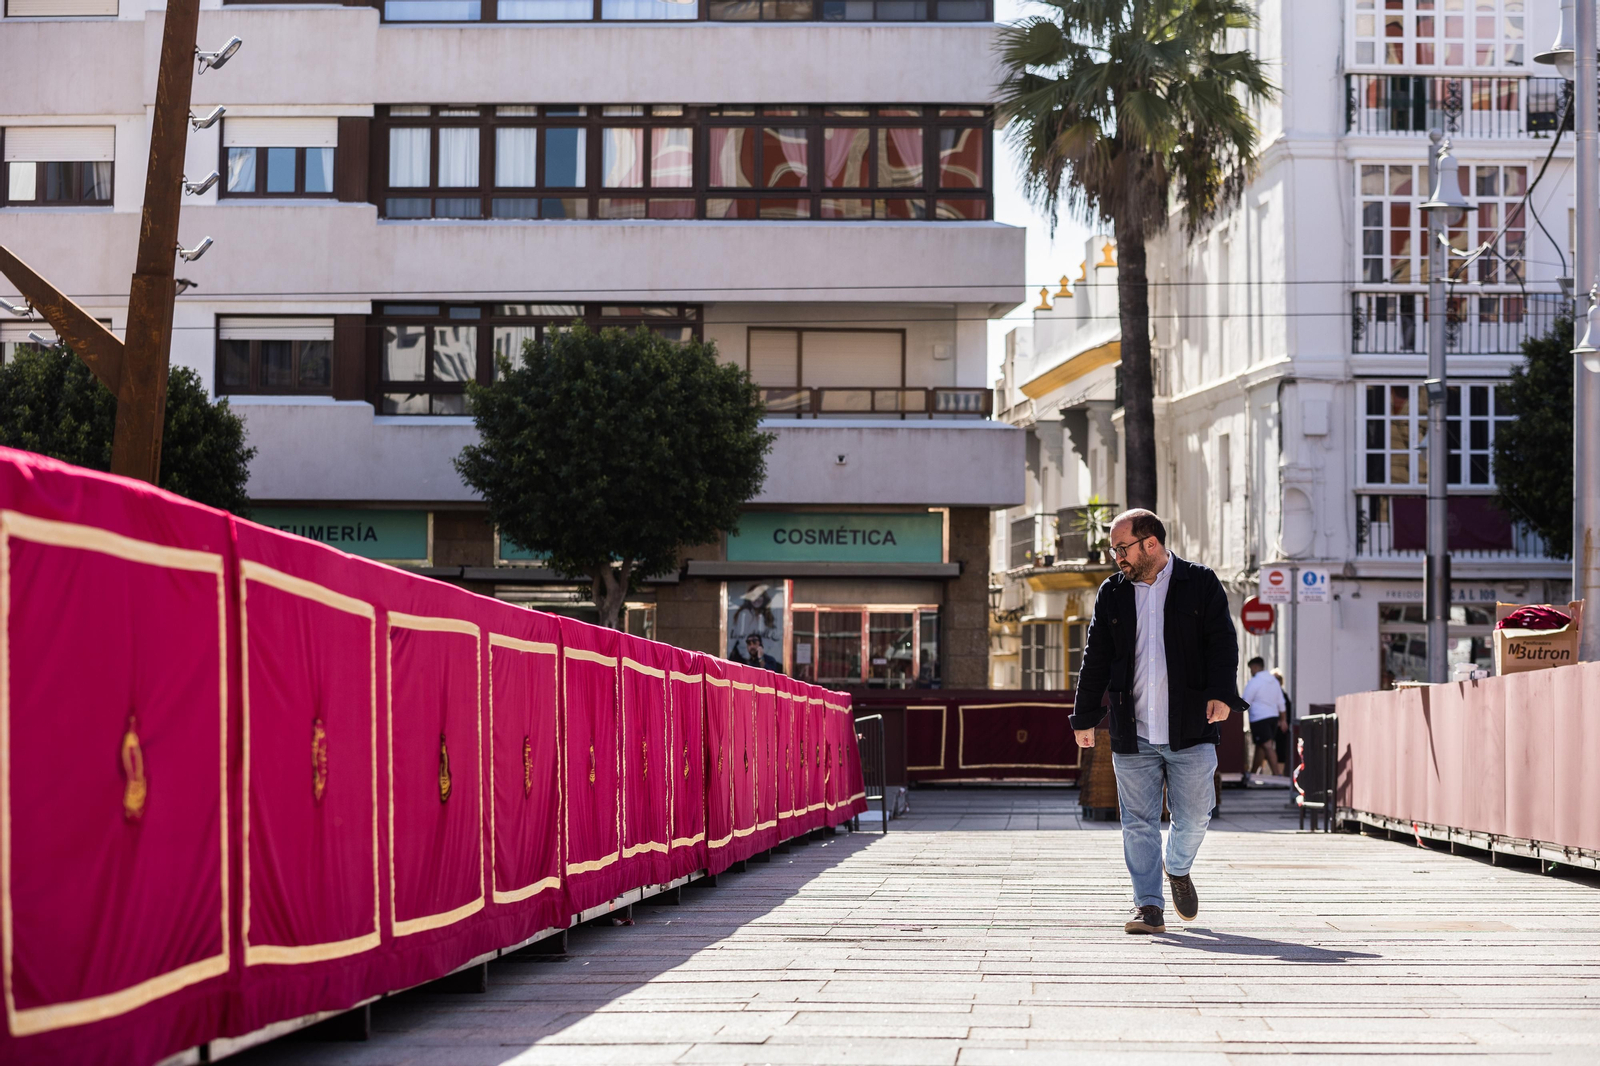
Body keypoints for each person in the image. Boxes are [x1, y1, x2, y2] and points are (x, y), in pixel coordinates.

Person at [1071, 508, 1247, 935]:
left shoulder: (1200, 583)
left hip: (1191, 726)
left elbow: (1223, 643)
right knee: (1137, 822)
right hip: (1134, 729)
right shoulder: (1112, 593)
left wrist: (1223, 695)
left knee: (1196, 815)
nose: (1117, 557)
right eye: (1114, 549)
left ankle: (1178, 867)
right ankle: (1148, 906)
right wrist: (1085, 716)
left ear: (1150, 543)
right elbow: (1094, 658)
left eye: (1122, 548)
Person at [1241, 656, 1286, 779]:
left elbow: (1245, 700)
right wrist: (1283, 719)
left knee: (1267, 745)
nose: (1251, 672)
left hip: (1259, 718)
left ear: (1255, 667)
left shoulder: (1255, 682)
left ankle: (1277, 775)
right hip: (1273, 717)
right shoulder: (1274, 681)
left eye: (1251, 669)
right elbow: (1281, 702)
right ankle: (1253, 773)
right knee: (1261, 745)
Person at [1270, 667, 1293, 773]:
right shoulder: (1268, 695)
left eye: (1278, 679)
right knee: (1267, 747)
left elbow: (1287, 709)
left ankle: (1279, 774)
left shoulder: (1284, 695)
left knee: (1281, 751)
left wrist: (1283, 721)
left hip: (1281, 728)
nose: (1276, 681)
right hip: (1270, 725)